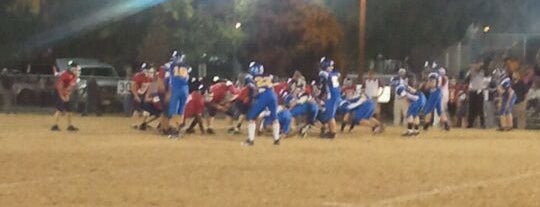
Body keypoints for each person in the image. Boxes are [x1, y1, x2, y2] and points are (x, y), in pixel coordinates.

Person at [243, 62, 281, 146]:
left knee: (251, 117)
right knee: (275, 117)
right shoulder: (269, 75)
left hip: (264, 95)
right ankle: (276, 139)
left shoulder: (250, 77)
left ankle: (251, 140)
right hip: (273, 95)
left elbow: (254, 89)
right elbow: (276, 82)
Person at [167, 51, 191, 138]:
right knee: (181, 111)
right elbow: (185, 77)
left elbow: (171, 79)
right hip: (185, 89)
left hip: (176, 88)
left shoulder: (172, 65)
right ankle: (180, 127)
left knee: (174, 111)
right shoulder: (186, 66)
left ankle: (175, 130)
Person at [316, 57, 341, 139]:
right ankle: (330, 131)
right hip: (335, 96)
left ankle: (333, 133)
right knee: (329, 114)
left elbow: (323, 86)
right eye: (330, 66)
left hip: (333, 97)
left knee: (330, 115)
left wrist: (319, 96)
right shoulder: (335, 74)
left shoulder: (324, 74)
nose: (332, 67)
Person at [51, 61, 80, 131]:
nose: (75, 69)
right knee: (60, 109)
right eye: (74, 68)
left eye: (75, 68)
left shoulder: (74, 76)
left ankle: (69, 126)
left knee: (69, 110)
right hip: (58, 91)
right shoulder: (66, 74)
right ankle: (54, 126)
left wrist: (67, 95)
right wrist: (62, 96)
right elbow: (59, 87)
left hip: (64, 92)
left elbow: (70, 87)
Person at [131, 63, 152, 128]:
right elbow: (133, 87)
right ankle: (134, 123)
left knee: (147, 110)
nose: (148, 71)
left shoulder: (150, 77)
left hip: (146, 95)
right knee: (137, 110)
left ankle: (143, 123)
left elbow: (152, 87)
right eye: (146, 70)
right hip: (138, 94)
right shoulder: (138, 76)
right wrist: (136, 96)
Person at [466, 62, 487, 128]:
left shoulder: (483, 72)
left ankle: (482, 124)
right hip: (473, 91)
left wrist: (481, 65)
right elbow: (466, 80)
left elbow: (487, 72)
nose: (476, 66)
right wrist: (471, 71)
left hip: (480, 91)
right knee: (471, 108)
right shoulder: (471, 72)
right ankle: (470, 123)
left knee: (480, 109)